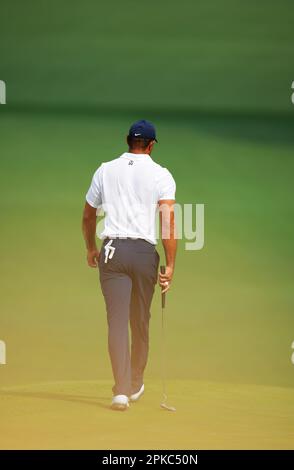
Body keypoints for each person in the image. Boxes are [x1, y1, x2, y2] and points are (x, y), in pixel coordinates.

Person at [82, 120, 177, 411]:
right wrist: (170, 264)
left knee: (116, 322)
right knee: (140, 320)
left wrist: (91, 248)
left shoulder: (105, 169)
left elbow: (88, 216)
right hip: (144, 254)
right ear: (151, 145)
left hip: (112, 253)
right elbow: (167, 221)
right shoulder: (162, 174)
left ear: (127, 141)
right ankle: (135, 382)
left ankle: (121, 391)